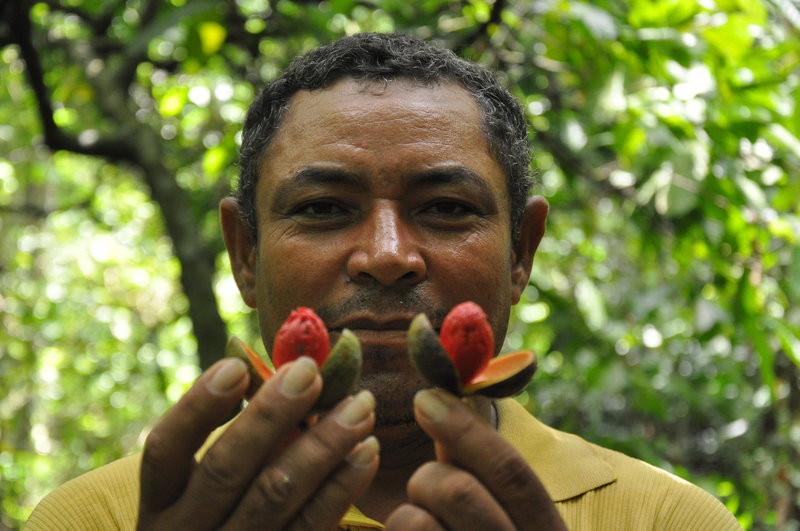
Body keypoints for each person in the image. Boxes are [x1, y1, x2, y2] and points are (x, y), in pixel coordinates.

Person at [26, 32, 741, 530]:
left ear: (522, 252)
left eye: (447, 209)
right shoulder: (91, 520)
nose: (388, 254)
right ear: (245, 254)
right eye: (325, 209)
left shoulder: (670, 519)